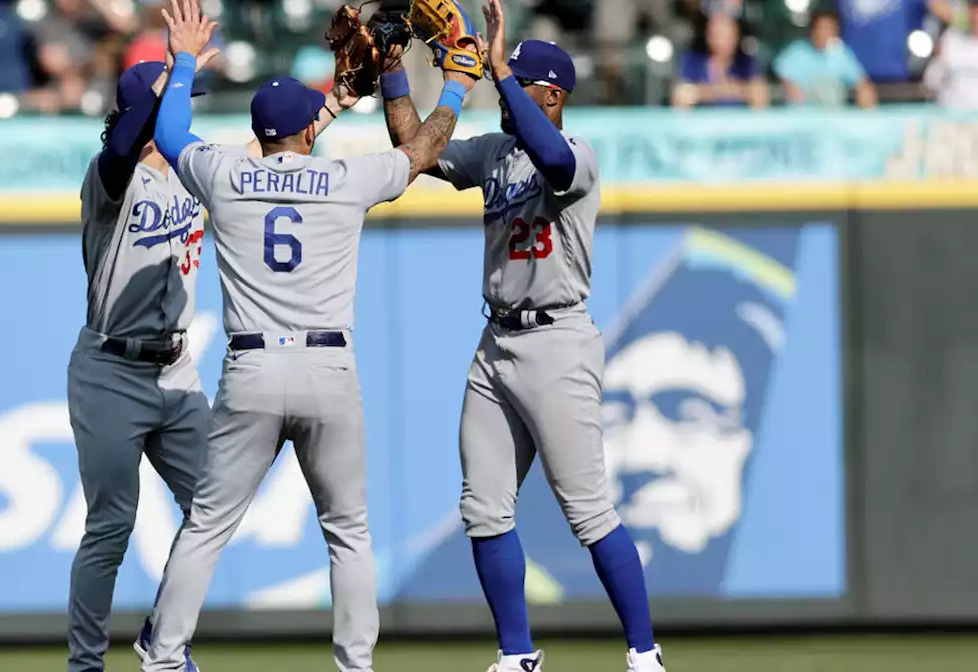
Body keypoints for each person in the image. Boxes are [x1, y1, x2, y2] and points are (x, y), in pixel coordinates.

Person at [137, 0, 473, 670]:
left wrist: (180, 61)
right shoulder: (345, 179)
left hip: (253, 371)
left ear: (260, 134)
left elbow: (171, 131)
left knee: (206, 526)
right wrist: (455, 82)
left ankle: (164, 657)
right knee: (348, 532)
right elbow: (420, 151)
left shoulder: (226, 175)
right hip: (328, 369)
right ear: (305, 134)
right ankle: (355, 664)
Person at [66, 20, 361, 672]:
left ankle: (163, 646)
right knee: (111, 528)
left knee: (211, 511)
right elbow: (125, 140)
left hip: (174, 371)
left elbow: (276, 166)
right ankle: (85, 664)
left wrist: (334, 101)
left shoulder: (198, 172)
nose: (185, 107)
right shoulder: (111, 177)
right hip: (111, 369)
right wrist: (176, 63)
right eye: (177, 98)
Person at [379, 0, 664, 670]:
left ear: (553, 94)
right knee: (483, 507)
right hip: (497, 343)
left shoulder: (578, 156)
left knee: (588, 511)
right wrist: (394, 73)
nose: (503, 90)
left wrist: (501, 68)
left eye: (521, 83)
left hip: (558, 340)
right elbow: (414, 151)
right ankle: (517, 655)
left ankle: (644, 653)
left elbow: (552, 159)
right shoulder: (495, 153)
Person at [774, 10, 878, 107]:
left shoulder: (841, 54)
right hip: (801, 117)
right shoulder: (796, 52)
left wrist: (865, 95)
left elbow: (862, 82)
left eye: (829, 29)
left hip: (835, 117)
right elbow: (788, 85)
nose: (824, 33)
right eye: (820, 28)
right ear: (812, 30)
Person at [671, 12, 767, 109]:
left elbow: (759, 93)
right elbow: (682, 94)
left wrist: (703, 92)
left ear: (737, 36)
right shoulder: (692, 60)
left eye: (727, 35)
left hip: (738, 120)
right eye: (717, 34)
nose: (721, 41)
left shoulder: (747, 61)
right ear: (708, 36)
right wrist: (737, 91)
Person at [923, 1, 978, 109]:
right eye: (974, 11)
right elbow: (931, 81)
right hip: (953, 117)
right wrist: (937, 60)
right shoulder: (951, 39)